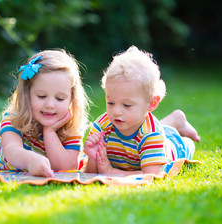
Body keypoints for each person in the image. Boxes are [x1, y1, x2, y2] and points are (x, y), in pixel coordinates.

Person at [0, 49, 89, 177]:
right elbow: (11, 150)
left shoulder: (71, 126)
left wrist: (50, 132)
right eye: (41, 96)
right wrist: (30, 160)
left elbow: (68, 167)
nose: (50, 105)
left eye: (59, 99)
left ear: (72, 99)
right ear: (27, 95)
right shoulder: (14, 119)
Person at [84, 46, 200, 175]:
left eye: (126, 105)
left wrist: (110, 171)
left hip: (173, 147)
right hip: (143, 137)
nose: (116, 111)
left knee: (185, 145)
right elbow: (90, 174)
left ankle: (181, 131)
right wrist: (93, 158)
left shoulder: (151, 135)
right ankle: (175, 120)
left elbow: (150, 175)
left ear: (151, 103)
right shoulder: (102, 126)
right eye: (110, 102)